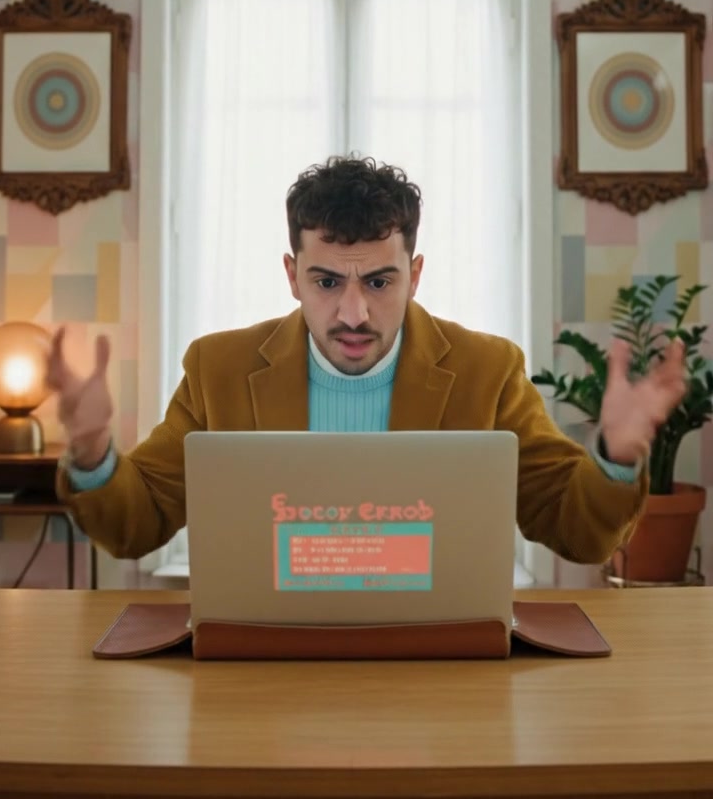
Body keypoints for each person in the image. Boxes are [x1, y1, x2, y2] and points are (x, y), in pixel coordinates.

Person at [49, 154, 687, 565]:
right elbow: (139, 526)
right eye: (327, 282)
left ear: (415, 275)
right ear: (292, 276)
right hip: (263, 654)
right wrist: (93, 452)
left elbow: (577, 533)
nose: (353, 313)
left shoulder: (488, 371)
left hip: (438, 658)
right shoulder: (218, 369)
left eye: (379, 282)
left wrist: (615, 454)